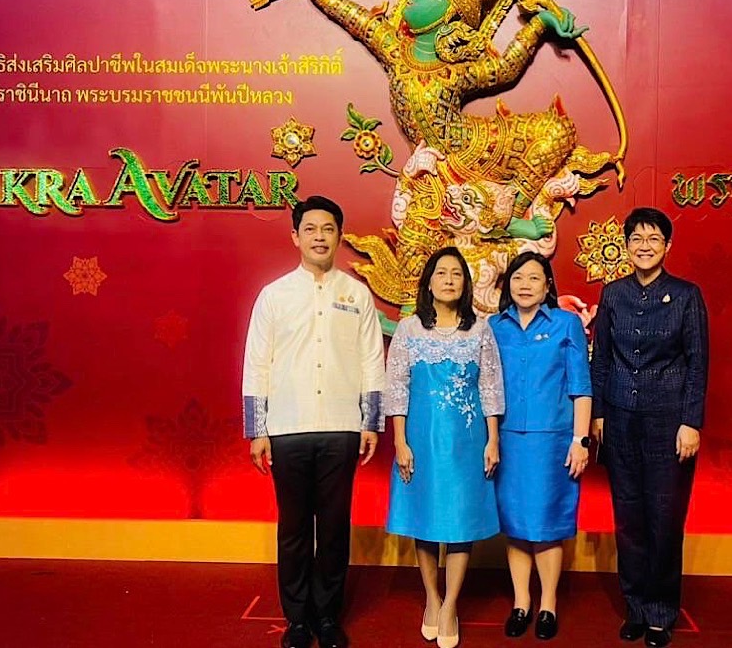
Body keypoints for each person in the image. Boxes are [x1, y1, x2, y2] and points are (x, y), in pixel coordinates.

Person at [242, 196, 386, 648]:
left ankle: (327, 616)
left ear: (339, 236)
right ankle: (297, 620)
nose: (319, 237)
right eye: (311, 229)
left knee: (335, 526)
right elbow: (257, 363)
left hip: (342, 425)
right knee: (295, 528)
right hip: (287, 427)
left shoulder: (356, 294)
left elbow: (372, 358)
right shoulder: (274, 295)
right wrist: (257, 430)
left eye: (328, 229)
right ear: (296, 237)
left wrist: (370, 421)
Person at [591, 207, 709, 648]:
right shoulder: (613, 295)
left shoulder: (686, 296)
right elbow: (601, 359)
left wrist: (690, 422)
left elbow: (698, 364)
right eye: (637, 238)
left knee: (664, 517)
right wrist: (598, 415)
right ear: (626, 246)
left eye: (653, 238)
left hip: (668, 423)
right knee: (628, 518)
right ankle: (635, 607)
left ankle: (661, 612)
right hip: (620, 420)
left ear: (667, 246)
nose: (644, 246)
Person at [383, 246, 504, 648]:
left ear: (465, 284)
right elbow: (397, 388)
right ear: (429, 282)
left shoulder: (480, 330)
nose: (449, 279)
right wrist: (400, 441)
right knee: (425, 519)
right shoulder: (409, 329)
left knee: (459, 524)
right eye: (441, 272)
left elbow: (490, 388)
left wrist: (493, 440)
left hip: (467, 444)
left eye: (456, 274)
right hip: (420, 441)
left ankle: (450, 604)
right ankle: (432, 598)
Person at [489, 252, 592, 641]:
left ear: (548, 285)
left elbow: (581, 387)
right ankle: (521, 602)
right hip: (507, 440)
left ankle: (548, 604)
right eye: (518, 277)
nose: (525, 285)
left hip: (553, 442)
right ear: (508, 285)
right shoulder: (494, 327)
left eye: (534, 277)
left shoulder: (566, 323)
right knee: (516, 527)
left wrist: (580, 440)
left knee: (547, 527)